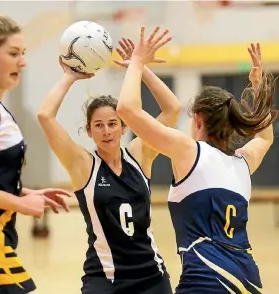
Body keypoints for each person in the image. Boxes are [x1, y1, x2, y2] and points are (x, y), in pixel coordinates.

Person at [117, 27, 278, 293]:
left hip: (207, 280)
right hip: (248, 281)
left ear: (198, 120)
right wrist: (258, 87)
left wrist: (136, 63)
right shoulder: (243, 162)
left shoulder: (189, 150)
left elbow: (126, 109)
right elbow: (265, 138)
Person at [37, 32, 178, 294]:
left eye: (113, 124)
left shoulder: (139, 155)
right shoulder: (82, 164)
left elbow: (172, 109)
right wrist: (70, 76)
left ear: (124, 127)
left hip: (151, 275)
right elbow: (45, 115)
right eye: (98, 126)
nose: (106, 131)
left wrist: (139, 67)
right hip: (105, 278)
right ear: (88, 131)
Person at [0, 12, 71, 294]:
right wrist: (19, 204)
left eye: (24, 53)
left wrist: (24, 192)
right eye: (13, 53)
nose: (23, 61)